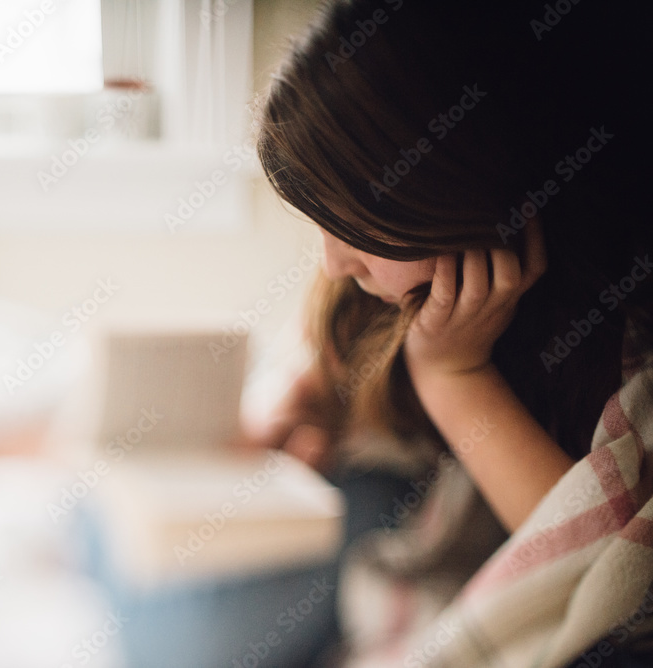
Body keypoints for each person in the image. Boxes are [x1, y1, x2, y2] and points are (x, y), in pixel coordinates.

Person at [250, 0, 653, 665]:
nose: (333, 263)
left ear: (459, 191)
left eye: (349, 226)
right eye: (319, 224)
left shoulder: (620, 342)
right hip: (367, 514)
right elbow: (306, 376)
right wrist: (297, 407)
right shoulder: (374, 290)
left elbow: (593, 574)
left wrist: (452, 375)